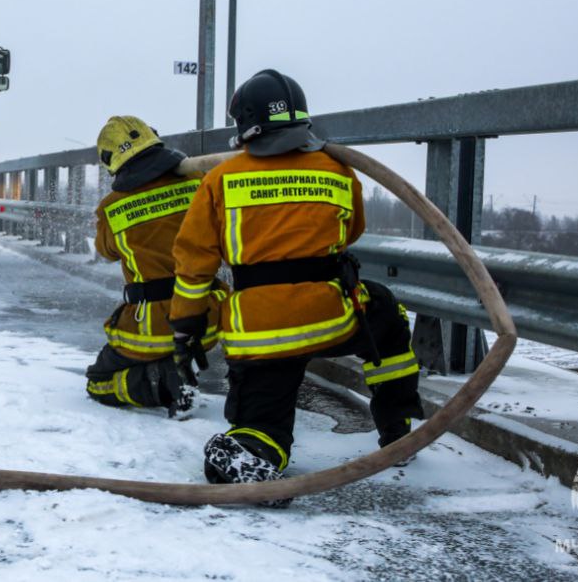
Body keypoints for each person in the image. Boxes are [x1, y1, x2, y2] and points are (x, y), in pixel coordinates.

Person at [169, 69, 423, 490]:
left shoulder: (219, 180)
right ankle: (398, 429)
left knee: (262, 425)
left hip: (261, 335)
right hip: (331, 317)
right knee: (387, 316)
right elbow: (352, 230)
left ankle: (257, 449)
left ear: (244, 124)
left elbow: (194, 263)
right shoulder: (337, 170)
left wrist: (187, 326)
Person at [86, 116, 224, 417]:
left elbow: (106, 251)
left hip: (154, 325)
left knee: (98, 382)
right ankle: (172, 365)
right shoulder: (196, 183)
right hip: (208, 317)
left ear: (111, 161)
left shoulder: (113, 207)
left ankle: (165, 382)